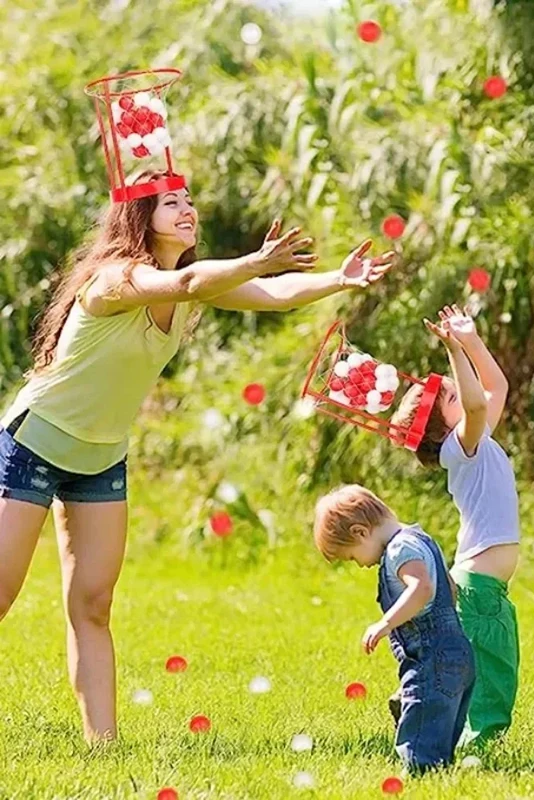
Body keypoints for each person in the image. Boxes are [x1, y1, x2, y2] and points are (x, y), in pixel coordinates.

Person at [0, 170, 394, 742]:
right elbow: (187, 285)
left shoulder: (190, 284)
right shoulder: (112, 281)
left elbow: (274, 297)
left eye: (190, 201)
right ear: (139, 217)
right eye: (170, 203)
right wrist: (255, 260)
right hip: (35, 442)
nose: (187, 210)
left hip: (101, 455)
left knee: (93, 603)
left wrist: (340, 277)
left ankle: (102, 745)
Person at [390, 304, 520, 746]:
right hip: (481, 585)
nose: (461, 397)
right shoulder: (460, 449)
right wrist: (453, 351)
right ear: (441, 430)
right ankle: (477, 745)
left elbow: (495, 386)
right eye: (449, 398)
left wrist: (469, 338)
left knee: (478, 665)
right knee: (493, 671)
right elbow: (476, 400)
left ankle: (424, 700)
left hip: (482, 584)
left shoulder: (475, 441)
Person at [313, 484, 475, 773]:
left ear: (360, 532)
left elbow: (422, 587)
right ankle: (438, 771)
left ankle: (419, 778)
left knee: (420, 748)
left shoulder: (400, 549)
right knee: (438, 733)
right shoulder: (422, 539)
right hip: (456, 653)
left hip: (432, 658)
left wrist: (386, 623)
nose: (359, 565)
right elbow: (448, 588)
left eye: (351, 557)